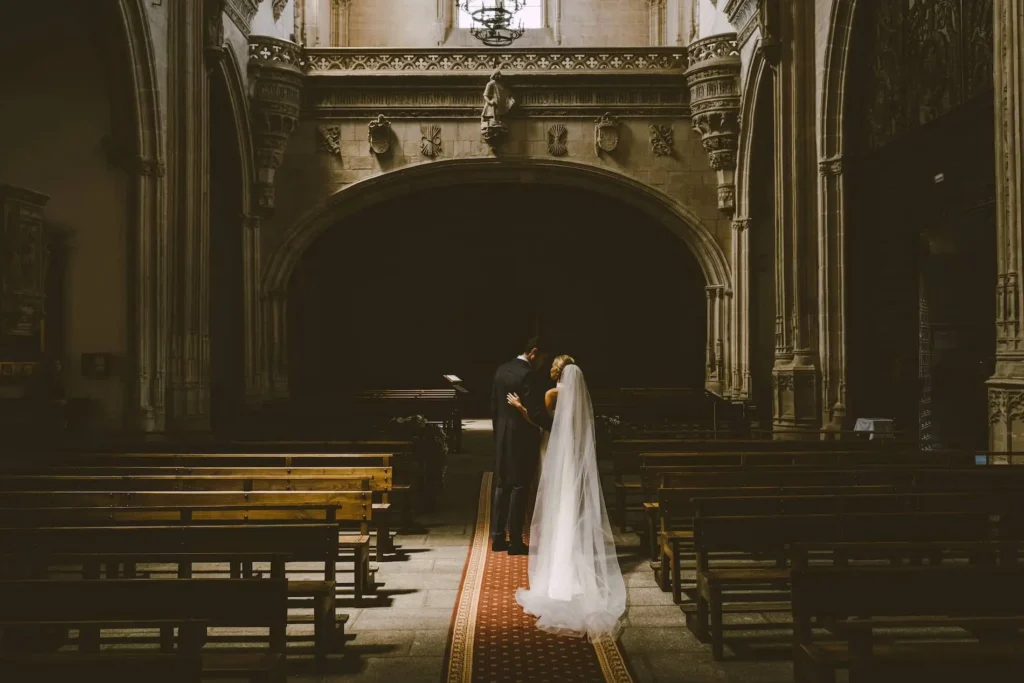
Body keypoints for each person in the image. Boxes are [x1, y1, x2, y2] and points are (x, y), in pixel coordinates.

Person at [507, 356, 626, 640]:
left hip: (557, 453)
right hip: (574, 455)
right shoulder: (581, 398)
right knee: (571, 506)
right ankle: (573, 557)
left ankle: (558, 569)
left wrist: (521, 408)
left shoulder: (553, 394)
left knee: (556, 504)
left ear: (557, 371)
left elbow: (545, 424)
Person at [490, 336, 553, 555]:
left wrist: (498, 434)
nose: (543, 364)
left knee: (502, 485)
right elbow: (534, 412)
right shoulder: (527, 375)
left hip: (503, 435)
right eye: (543, 359)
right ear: (534, 352)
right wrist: (554, 426)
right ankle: (515, 541)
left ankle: (498, 538)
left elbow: (494, 407)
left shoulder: (501, 370)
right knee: (520, 486)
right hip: (522, 438)